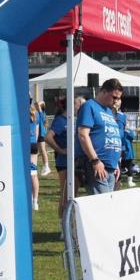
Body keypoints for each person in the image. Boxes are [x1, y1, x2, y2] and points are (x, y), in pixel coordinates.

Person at [75, 79, 123, 194]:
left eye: (118, 98)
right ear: (104, 91)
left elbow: (110, 135)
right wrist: (95, 160)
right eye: (114, 97)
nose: (116, 101)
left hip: (110, 167)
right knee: (103, 206)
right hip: (96, 165)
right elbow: (83, 134)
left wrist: (115, 163)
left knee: (108, 206)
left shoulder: (109, 111)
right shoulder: (89, 106)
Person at [46, 96, 83, 226]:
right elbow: (48, 137)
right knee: (65, 192)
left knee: (73, 193)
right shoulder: (61, 120)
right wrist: (60, 150)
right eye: (80, 104)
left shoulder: (74, 120)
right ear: (73, 105)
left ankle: (71, 223)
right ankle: (64, 225)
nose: (82, 107)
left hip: (75, 161)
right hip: (63, 162)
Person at [29, 101, 41, 211]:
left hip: (24, 145)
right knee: (33, 174)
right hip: (33, 144)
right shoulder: (35, 113)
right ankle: (35, 201)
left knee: (25, 174)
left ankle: (31, 199)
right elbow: (37, 132)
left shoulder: (22, 111)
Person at [36, 100, 51, 177]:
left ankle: (46, 167)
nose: (35, 106)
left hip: (41, 134)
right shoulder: (37, 113)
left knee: (42, 150)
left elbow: (38, 104)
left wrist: (39, 103)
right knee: (38, 151)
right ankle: (39, 166)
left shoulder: (41, 113)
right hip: (38, 134)